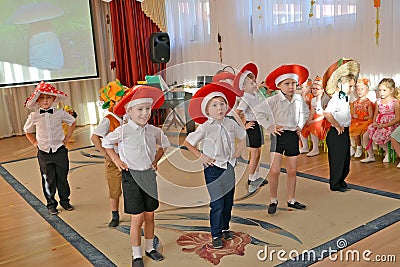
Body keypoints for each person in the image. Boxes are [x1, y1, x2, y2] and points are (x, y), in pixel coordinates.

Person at [102, 86, 169, 267]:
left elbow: (165, 143)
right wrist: (116, 160)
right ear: (128, 111)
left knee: (150, 215)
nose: (145, 113)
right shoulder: (123, 131)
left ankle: (149, 248)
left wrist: (155, 160)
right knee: (137, 218)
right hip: (131, 177)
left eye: (148, 109)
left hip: (148, 176)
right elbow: (106, 142)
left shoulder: (153, 130)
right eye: (140, 109)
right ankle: (136, 255)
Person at [184, 83, 246, 249]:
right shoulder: (205, 127)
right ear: (207, 110)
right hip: (213, 169)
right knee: (217, 203)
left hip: (229, 167)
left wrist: (239, 149)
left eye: (222, 104)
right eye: (214, 105)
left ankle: (225, 227)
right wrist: (201, 156)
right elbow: (188, 142)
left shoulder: (231, 123)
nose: (219, 108)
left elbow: (243, 135)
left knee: (228, 201)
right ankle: (216, 234)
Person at [254, 64, 310, 214]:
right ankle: (273, 199)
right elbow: (258, 112)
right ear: (279, 85)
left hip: (292, 136)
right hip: (278, 136)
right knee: (274, 170)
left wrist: (300, 125)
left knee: (292, 171)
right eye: (287, 83)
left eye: (293, 83)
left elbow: (305, 112)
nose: (291, 87)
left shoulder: (298, 99)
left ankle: (291, 199)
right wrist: (270, 126)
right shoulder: (273, 100)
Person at [23, 81, 76, 215]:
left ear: (54, 99)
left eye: (48, 98)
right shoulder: (34, 116)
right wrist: (35, 143)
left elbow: (72, 122)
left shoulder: (60, 113)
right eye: (42, 98)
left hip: (59, 150)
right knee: (48, 178)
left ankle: (65, 201)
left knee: (62, 177)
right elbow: (27, 130)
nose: (45, 101)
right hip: (44, 152)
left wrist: (67, 138)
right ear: (37, 101)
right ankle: (51, 203)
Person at [91, 80, 130, 227]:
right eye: (119, 100)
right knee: (114, 189)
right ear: (112, 103)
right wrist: (106, 154)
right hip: (114, 160)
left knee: (132, 186)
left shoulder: (128, 118)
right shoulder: (108, 120)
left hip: (130, 159)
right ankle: (115, 214)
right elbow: (95, 137)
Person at [322, 58, 359, 192]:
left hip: (344, 131)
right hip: (336, 132)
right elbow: (327, 113)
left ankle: (341, 180)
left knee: (345, 159)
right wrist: (337, 125)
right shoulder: (336, 98)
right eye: (350, 86)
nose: (352, 89)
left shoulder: (346, 97)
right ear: (340, 85)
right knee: (337, 159)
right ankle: (335, 183)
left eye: (353, 86)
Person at [234, 63, 268, 193]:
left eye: (255, 82)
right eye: (251, 83)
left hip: (258, 125)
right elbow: (237, 113)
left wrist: (260, 86)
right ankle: (251, 178)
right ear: (244, 87)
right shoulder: (246, 98)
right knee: (254, 154)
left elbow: (256, 90)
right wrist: (244, 126)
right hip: (252, 126)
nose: (254, 85)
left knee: (258, 153)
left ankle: (256, 176)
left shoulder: (253, 94)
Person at [361, 78, 400, 163]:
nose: (381, 92)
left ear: (392, 90)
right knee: (365, 136)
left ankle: (388, 152)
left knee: (378, 136)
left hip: (390, 125)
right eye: (380, 90)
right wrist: (374, 122)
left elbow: (397, 119)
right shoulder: (378, 102)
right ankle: (371, 156)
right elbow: (375, 115)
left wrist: (385, 125)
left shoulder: (395, 102)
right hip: (379, 124)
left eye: (384, 90)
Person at [299, 76, 331, 156]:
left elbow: (325, 114)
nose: (314, 90)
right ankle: (305, 147)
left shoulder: (325, 99)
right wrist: (309, 120)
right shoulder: (313, 100)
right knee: (304, 125)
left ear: (322, 90)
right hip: (315, 117)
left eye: (317, 89)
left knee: (314, 126)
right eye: (313, 88)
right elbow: (312, 113)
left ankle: (315, 149)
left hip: (324, 119)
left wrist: (313, 121)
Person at [349, 78, 374, 158]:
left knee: (356, 132)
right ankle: (353, 147)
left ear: (367, 91)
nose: (359, 91)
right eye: (357, 89)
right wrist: (354, 115)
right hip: (356, 121)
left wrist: (361, 117)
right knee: (348, 130)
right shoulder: (355, 103)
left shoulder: (368, 103)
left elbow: (371, 116)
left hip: (365, 121)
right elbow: (353, 113)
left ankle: (359, 148)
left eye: (362, 89)